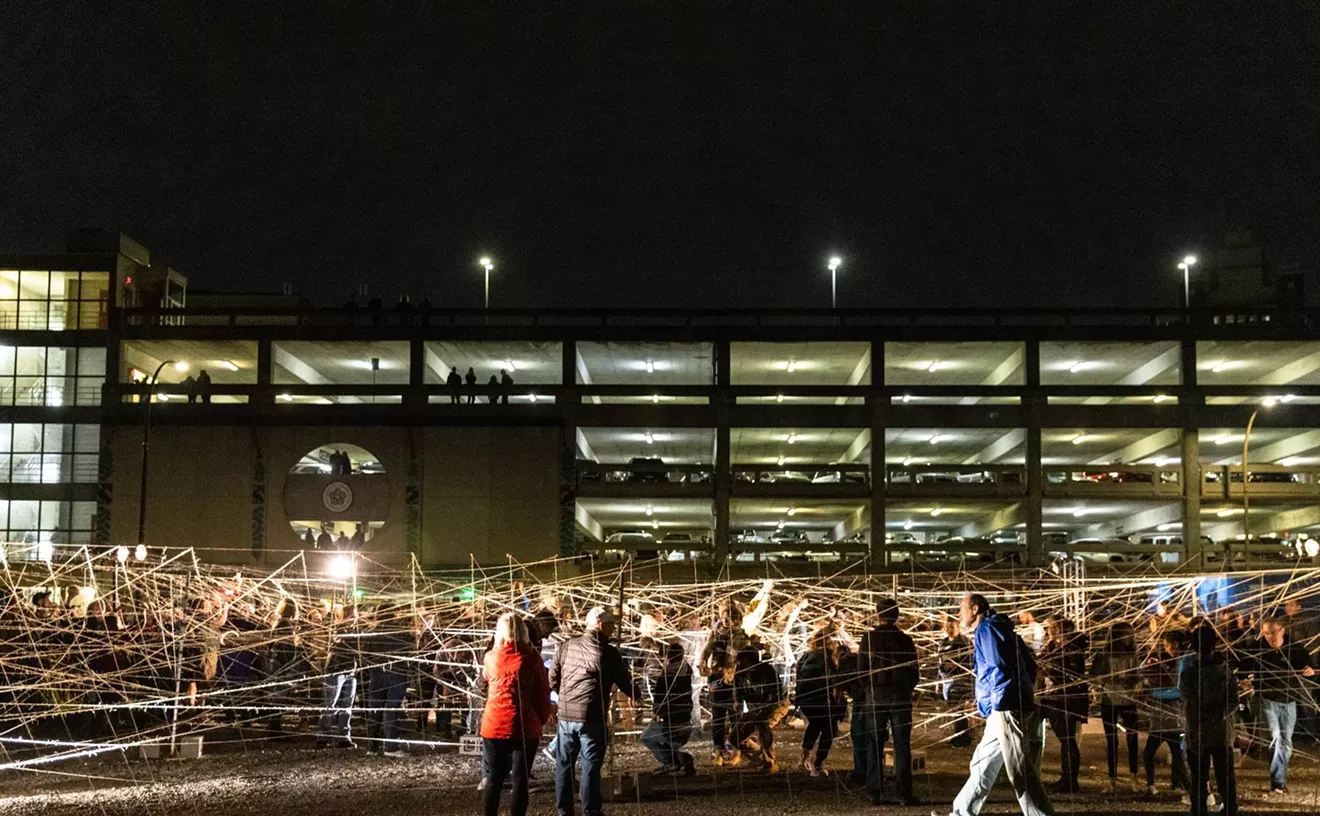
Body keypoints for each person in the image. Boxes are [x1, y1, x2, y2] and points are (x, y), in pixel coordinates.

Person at [939, 592, 1054, 816]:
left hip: (1004, 706)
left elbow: (996, 668)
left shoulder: (987, 629)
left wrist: (996, 701)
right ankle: (961, 812)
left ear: (975, 609)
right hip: (1005, 704)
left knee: (1019, 770)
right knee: (982, 763)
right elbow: (1030, 665)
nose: (959, 614)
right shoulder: (1003, 629)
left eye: (962, 608)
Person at [549, 606, 639, 816]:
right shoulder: (607, 652)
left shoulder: (566, 647)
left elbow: (553, 678)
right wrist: (636, 694)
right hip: (592, 716)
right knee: (590, 765)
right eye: (610, 624)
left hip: (566, 716)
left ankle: (564, 810)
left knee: (564, 764)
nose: (613, 627)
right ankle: (590, 810)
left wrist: (564, 696)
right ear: (600, 625)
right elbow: (623, 679)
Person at [482, 612, 552, 816]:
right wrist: (541, 718)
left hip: (494, 723)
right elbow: (542, 691)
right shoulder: (532, 658)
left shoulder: (490, 657)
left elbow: (486, 678)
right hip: (524, 724)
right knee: (520, 780)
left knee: (494, 778)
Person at [1241, 615, 1314, 795]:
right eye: (1265, 633)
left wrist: (1309, 670)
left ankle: (1279, 780)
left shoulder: (1295, 649)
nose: (1269, 637)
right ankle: (1278, 782)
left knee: (1286, 743)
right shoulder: (1257, 649)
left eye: (1273, 632)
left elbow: (1310, 667)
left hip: (1289, 701)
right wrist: (1244, 679)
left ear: (1282, 630)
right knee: (1275, 738)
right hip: (1266, 699)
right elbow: (1242, 667)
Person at [858, 597, 919, 804]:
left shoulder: (868, 639)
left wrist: (869, 688)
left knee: (874, 743)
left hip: (876, 697)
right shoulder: (905, 640)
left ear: (878, 614)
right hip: (900, 697)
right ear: (896, 615)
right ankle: (904, 793)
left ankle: (875, 792)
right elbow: (914, 670)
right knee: (902, 745)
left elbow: (862, 669)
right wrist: (907, 688)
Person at [1180, 624, 1237, 816]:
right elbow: (1234, 702)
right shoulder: (1226, 671)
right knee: (1225, 777)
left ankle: (1199, 810)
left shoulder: (1188, 674)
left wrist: (1195, 730)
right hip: (1221, 733)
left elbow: (1189, 705)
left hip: (1199, 734)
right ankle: (1229, 809)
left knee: (1198, 778)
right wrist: (1218, 716)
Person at [1039, 616, 1088, 793]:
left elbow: (1074, 675)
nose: (1047, 631)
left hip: (1068, 699)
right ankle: (1066, 778)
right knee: (1064, 740)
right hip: (1053, 697)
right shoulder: (1052, 646)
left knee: (1068, 740)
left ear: (1059, 629)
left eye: (1049, 627)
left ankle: (1070, 781)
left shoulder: (1073, 649)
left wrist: (1049, 671)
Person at [1091, 621, 1141, 793]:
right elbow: (1094, 677)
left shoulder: (1132, 654)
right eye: (1127, 633)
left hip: (1128, 700)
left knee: (1132, 739)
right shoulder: (1103, 654)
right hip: (1109, 700)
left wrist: (1135, 684)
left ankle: (1134, 777)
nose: (1131, 637)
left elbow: (1137, 676)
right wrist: (1105, 680)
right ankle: (1111, 780)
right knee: (1111, 741)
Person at [365, 605, 414, 757]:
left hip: (376, 675)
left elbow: (365, 656)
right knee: (392, 710)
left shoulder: (371, 634)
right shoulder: (400, 633)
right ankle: (391, 747)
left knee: (375, 710)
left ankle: (372, 747)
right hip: (396, 674)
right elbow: (412, 649)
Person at [641, 639, 696, 775]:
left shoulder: (666, 676)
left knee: (647, 737)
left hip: (670, 718)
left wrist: (657, 713)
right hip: (685, 715)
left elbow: (660, 699)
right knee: (669, 740)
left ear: (668, 657)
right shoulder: (686, 670)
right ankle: (679, 759)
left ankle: (673, 760)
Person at [795, 626, 843, 776]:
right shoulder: (831, 659)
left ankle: (804, 757)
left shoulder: (804, 657)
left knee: (814, 725)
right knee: (828, 730)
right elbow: (835, 682)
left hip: (807, 701)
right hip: (826, 701)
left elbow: (798, 679)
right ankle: (818, 764)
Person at [1146, 629, 1189, 796]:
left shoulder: (1183, 662)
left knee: (1177, 754)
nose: (1165, 649)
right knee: (1178, 754)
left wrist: (1153, 694)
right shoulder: (1179, 662)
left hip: (1174, 717)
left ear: (1175, 645)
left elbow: (1180, 691)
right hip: (1173, 718)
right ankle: (1180, 785)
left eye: (1166, 645)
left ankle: (1189, 788)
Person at [729, 645, 781, 771]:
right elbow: (738, 697)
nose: (740, 664)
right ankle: (759, 756)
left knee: (761, 724)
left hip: (774, 706)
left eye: (743, 661)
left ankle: (769, 761)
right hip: (755, 709)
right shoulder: (740, 675)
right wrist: (738, 706)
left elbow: (776, 694)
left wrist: (764, 709)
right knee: (734, 738)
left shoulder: (767, 671)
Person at [316, 607, 358, 749]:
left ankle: (344, 737)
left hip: (350, 671)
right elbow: (336, 640)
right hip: (336, 670)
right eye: (353, 615)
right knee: (330, 704)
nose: (355, 618)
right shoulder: (338, 629)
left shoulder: (356, 631)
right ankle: (323, 737)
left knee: (347, 706)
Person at [937, 616, 974, 748]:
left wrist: (956, 667)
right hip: (947, 680)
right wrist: (938, 681)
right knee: (954, 710)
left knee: (960, 710)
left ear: (958, 627)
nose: (948, 629)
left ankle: (963, 738)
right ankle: (958, 735)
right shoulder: (943, 643)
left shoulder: (965, 643)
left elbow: (970, 662)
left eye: (952, 627)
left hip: (960, 681)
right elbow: (939, 661)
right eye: (947, 627)